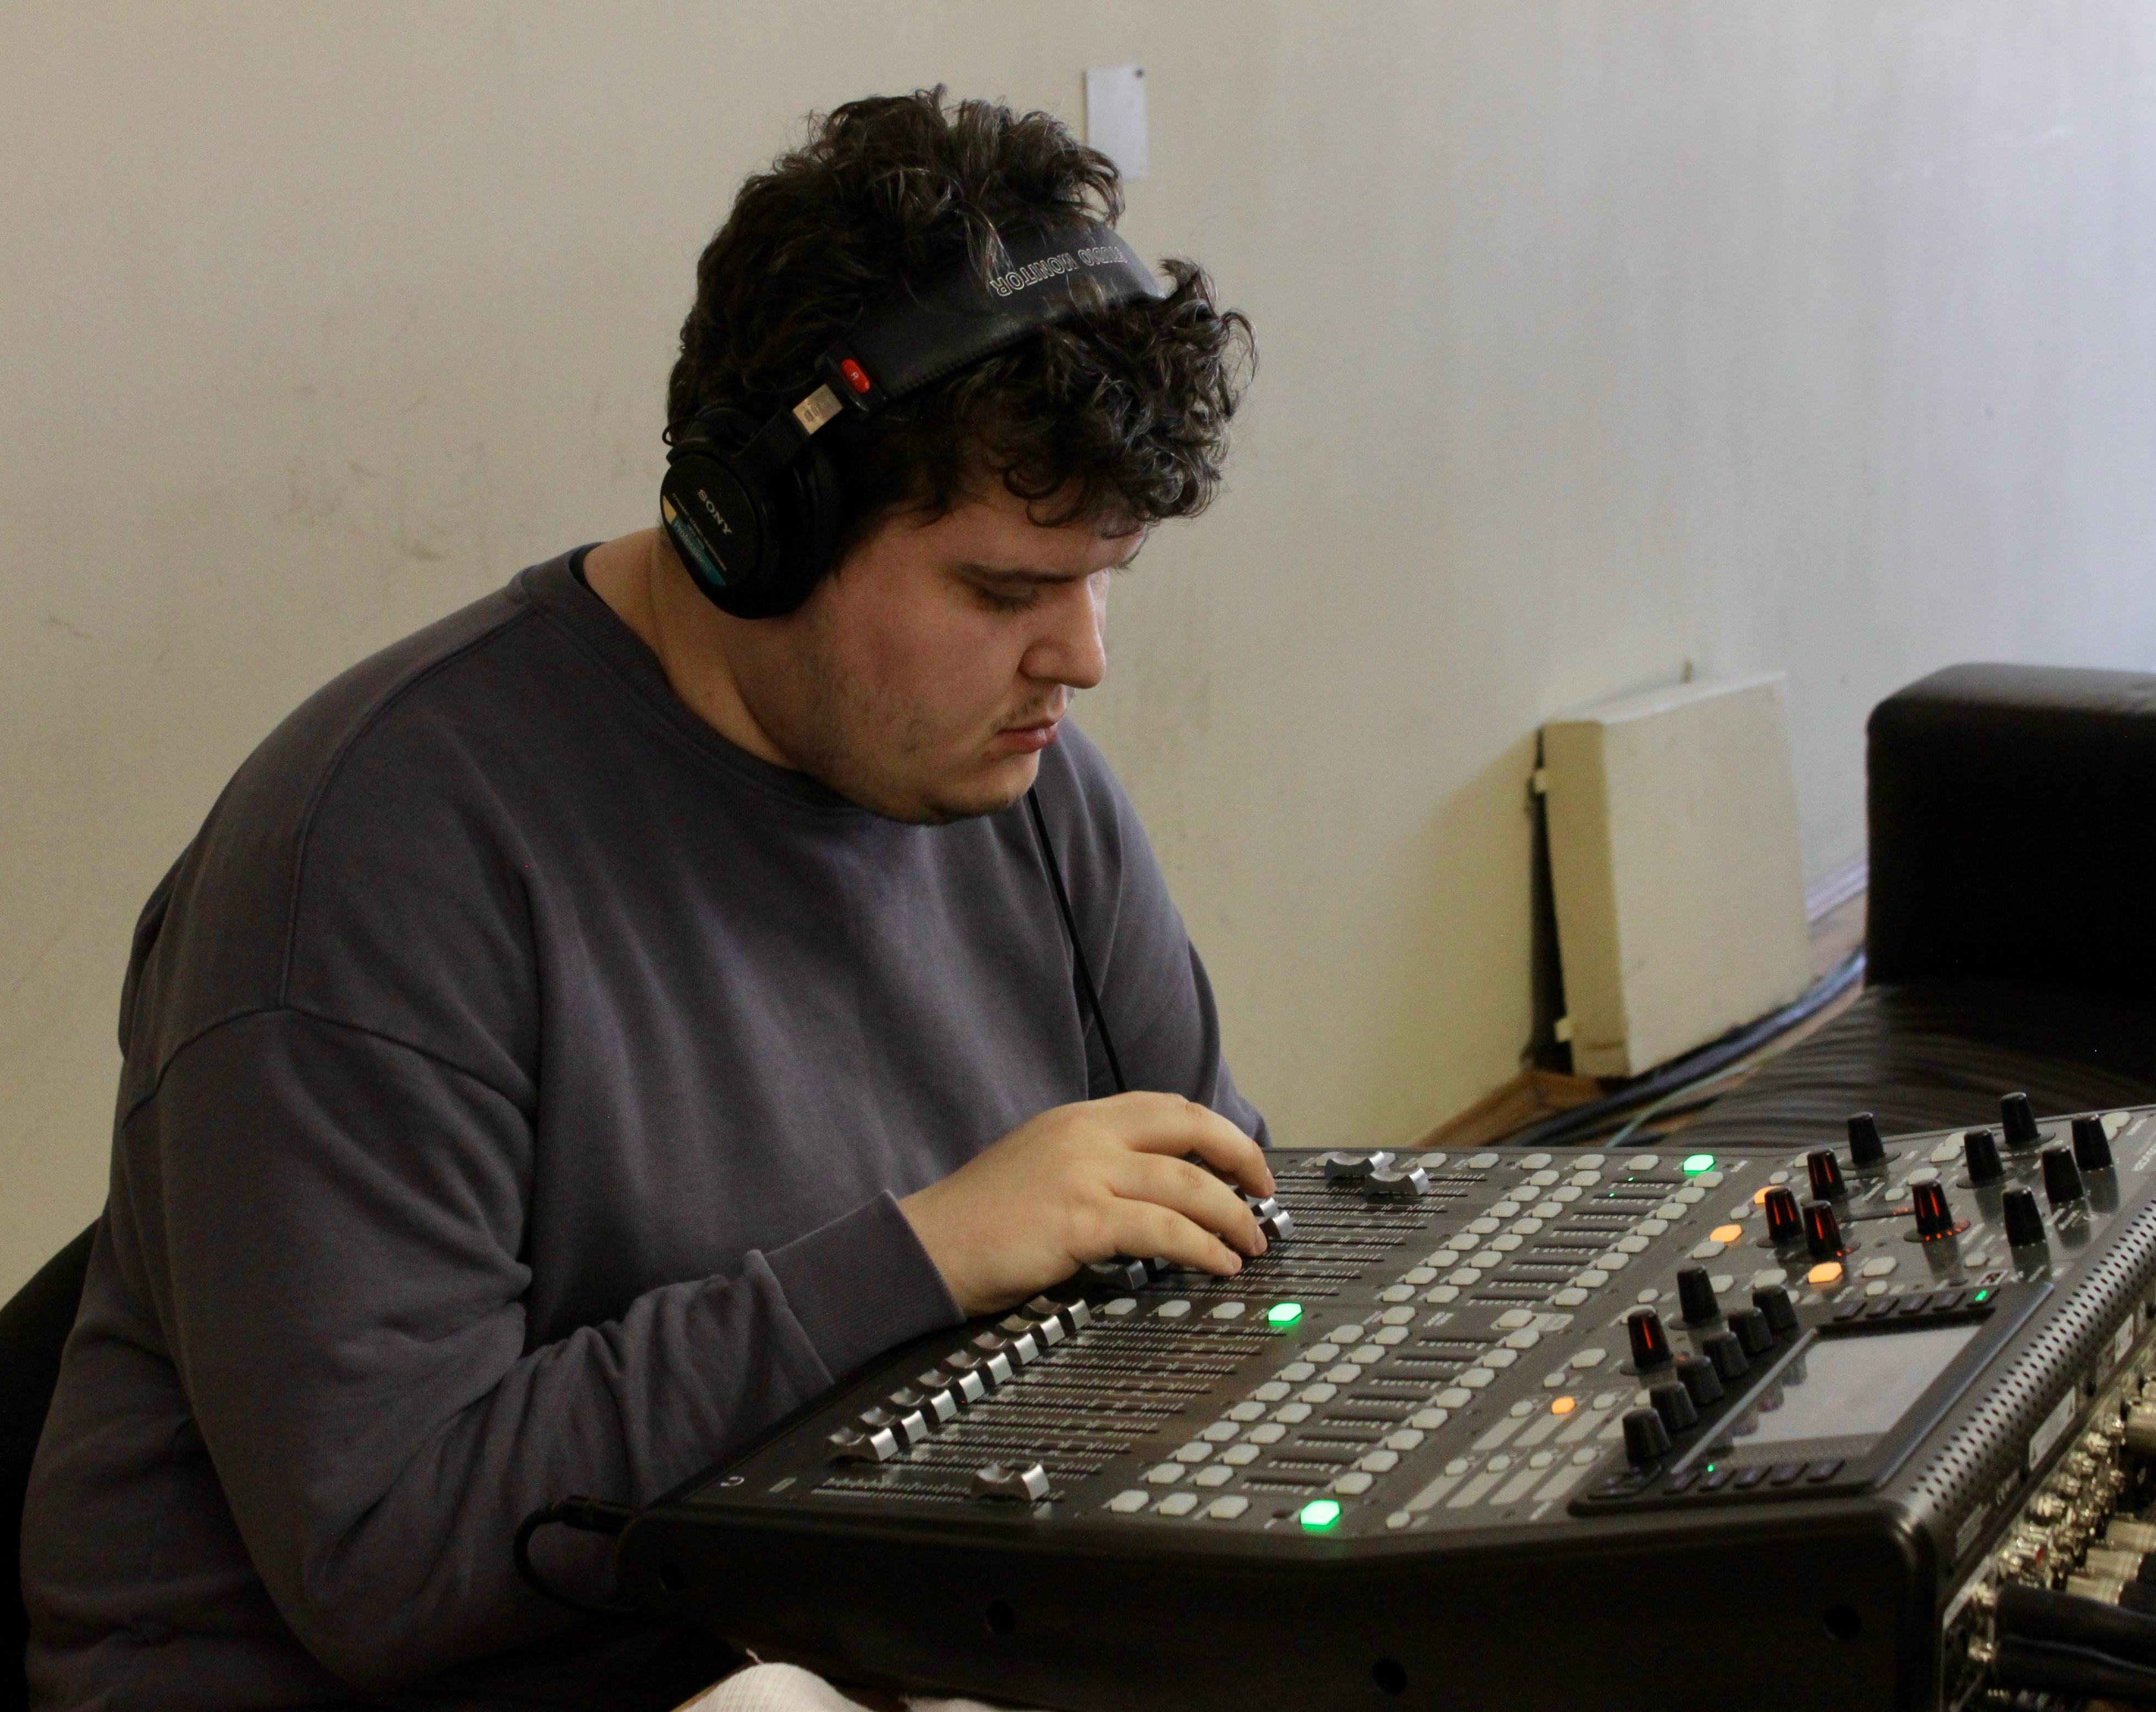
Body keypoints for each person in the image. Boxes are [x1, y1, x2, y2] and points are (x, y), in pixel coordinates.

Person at [23, 89, 1262, 1711]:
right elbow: (389, 1562)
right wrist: (925, 1255)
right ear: (752, 531)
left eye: (1104, 580)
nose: (1080, 658)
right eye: (1002, 590)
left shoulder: (1023, 785)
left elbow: (1209, 1233)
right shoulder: (373, 862)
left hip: (836, 1624)